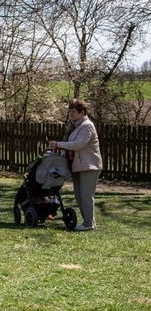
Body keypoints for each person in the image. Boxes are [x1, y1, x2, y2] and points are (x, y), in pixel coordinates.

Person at [49, 99, 103, 231]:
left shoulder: (87, 126)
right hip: (79, 166)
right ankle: (88, 223)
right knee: (79, 196)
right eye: (70, 112)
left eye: (73, 112)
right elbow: (71, 147)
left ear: (82, 112)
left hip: (89, 166)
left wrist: (58, 144)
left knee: (86, 196)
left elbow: (78, 145)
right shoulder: (77, 126)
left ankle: (88, 224)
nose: (70, 114)